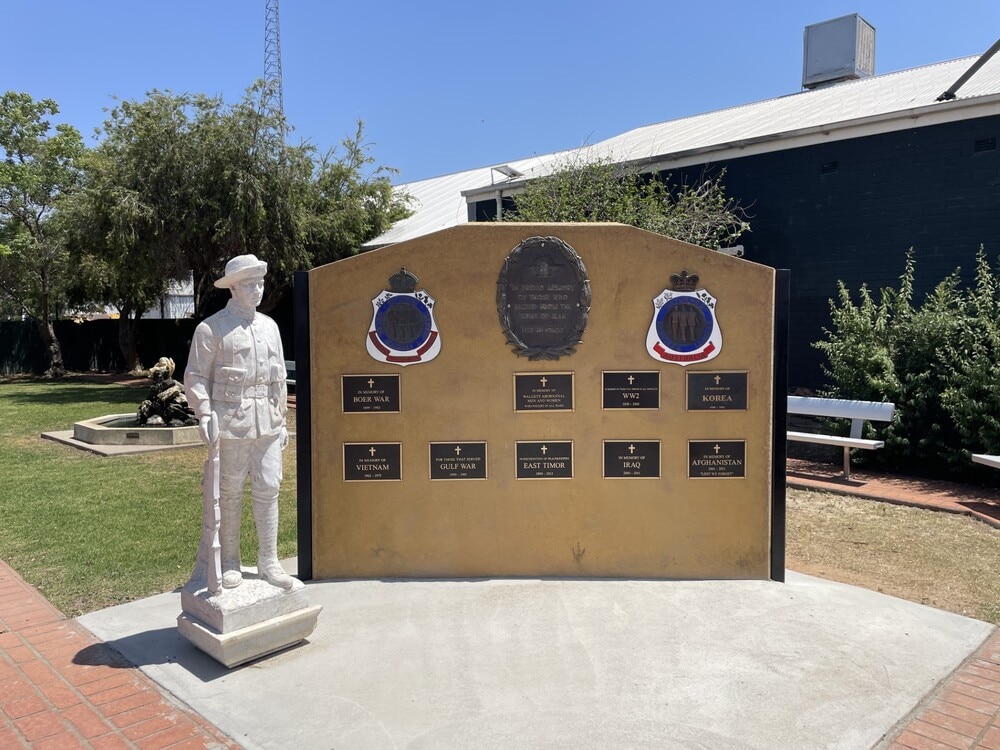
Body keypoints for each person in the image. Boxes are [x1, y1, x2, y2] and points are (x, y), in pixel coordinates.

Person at [184, 254, 293, 590]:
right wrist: (204, 412)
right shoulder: (212, 328)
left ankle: (269, 561)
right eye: (248, 284)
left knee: (269, 488)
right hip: (231, 422)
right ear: (232, 288)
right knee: (228, 494)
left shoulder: (270, 326)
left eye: (259, 283)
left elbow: (279, 378)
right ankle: (229, 561)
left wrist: (283, 420)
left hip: (269, 423)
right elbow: (196, 376)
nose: (257, 290)